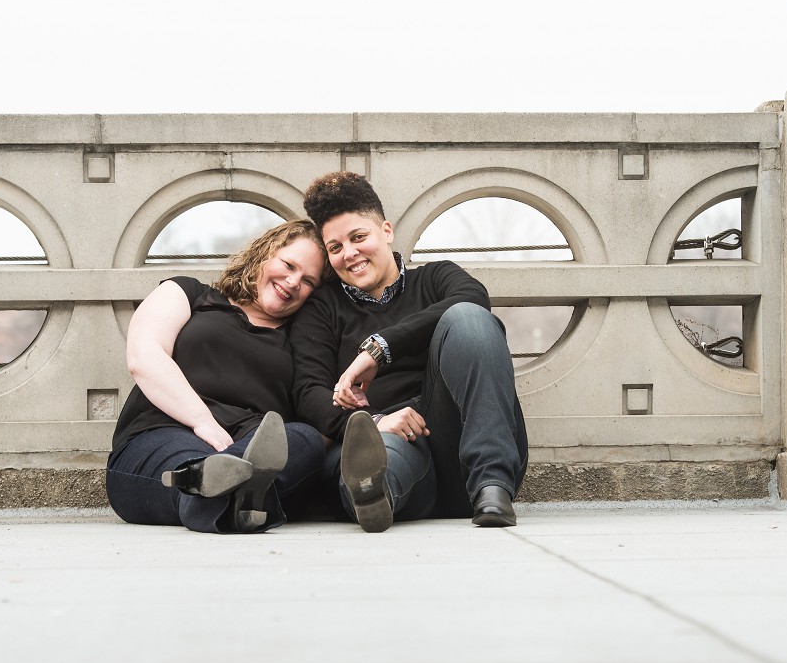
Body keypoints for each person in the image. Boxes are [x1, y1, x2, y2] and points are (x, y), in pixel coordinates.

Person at [291, 172, 530, 531]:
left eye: (359, 237)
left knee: (467, 317)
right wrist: (374, 423)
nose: (349, 254)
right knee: (375, 459)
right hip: (390, 441)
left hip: (460, 443)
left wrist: (381, 348)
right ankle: (371, 494)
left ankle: (493, 486)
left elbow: (474, 298)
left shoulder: (436, 279)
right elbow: (308, 391)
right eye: (335, 247)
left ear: (386, 231)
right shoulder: (321, 308)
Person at [106, 219, 330, 534]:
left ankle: (221, 492)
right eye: (289, 265)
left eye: (308, 280)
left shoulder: (303, 340)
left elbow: (318, 401)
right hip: (163, 434)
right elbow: (144, 356)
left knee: (304, 438)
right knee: (195, 465)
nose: (293, 282)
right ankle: (224, 487)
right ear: (263, 255)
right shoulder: (190, 294)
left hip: (252, 443)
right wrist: (203, 422)